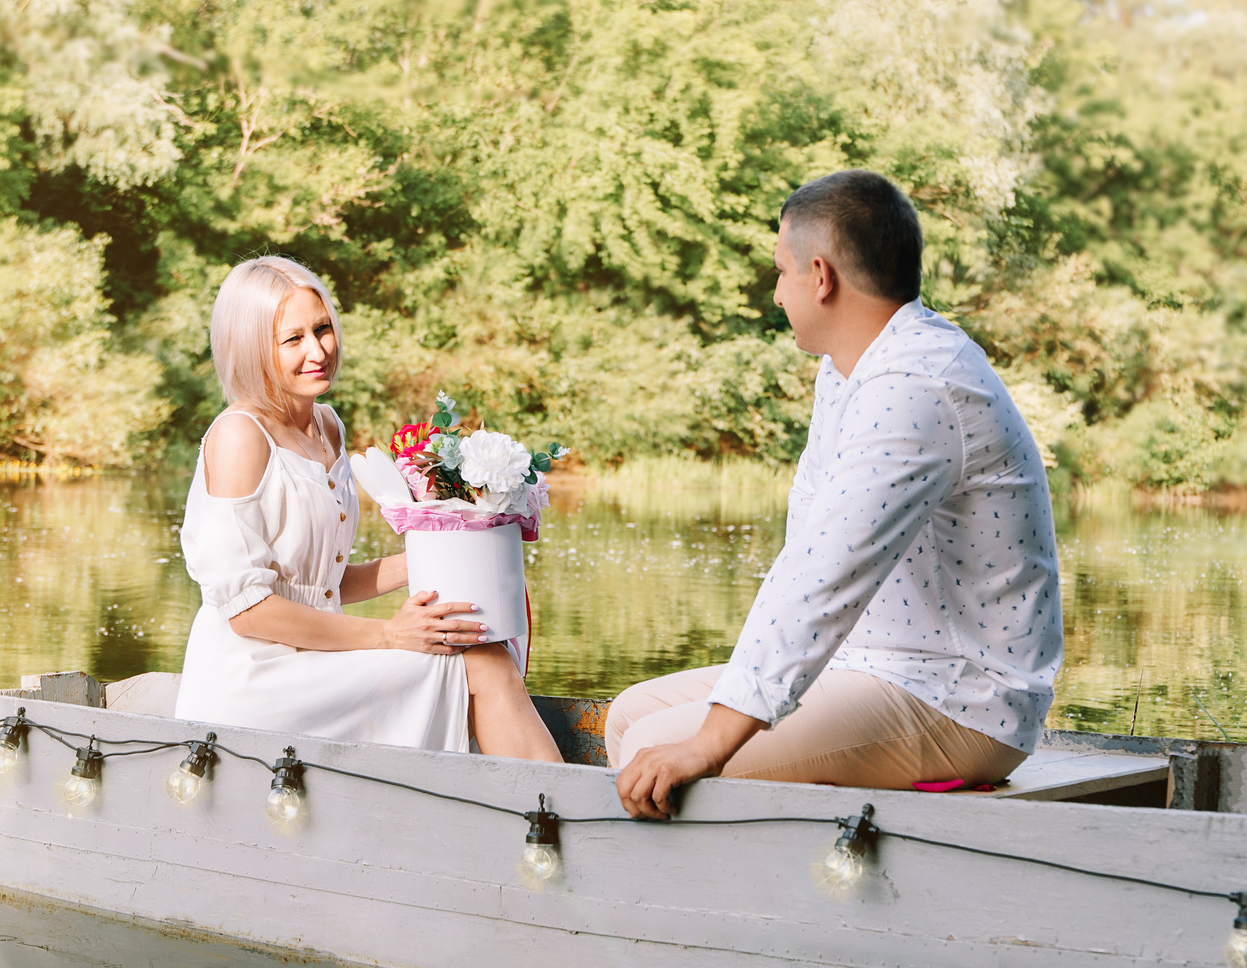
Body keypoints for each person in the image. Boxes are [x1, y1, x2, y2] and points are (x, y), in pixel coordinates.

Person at [610, 171, 1062, 819]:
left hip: (960, 698)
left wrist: (710, 742)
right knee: (630, 715)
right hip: (870, 666)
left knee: (661, 747)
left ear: (820, 276)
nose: (775, 292)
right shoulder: (850, 369)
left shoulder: (917, 384)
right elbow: (807, 559)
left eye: (779, 271)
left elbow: (823, 577)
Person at [172, 256, 561, 761]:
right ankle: (559, 818)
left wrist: (453, 551)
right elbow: (248, 611)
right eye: (293, 339)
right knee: (479, 661)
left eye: (323, 328)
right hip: (253, 676)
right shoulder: (238, 436)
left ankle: (540, 813)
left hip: (317, 657)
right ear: (251, 349)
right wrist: (390, 635)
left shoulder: (326, 425)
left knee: (481, 647)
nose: (318, 351)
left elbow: (319, 582)